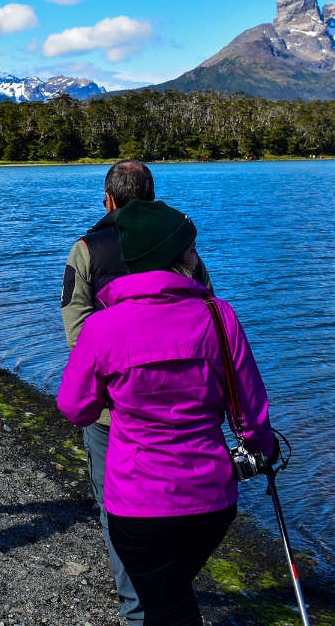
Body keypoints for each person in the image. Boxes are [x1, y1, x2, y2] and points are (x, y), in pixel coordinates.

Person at [57, 200, 276, 626]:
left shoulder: (103, 326)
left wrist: (116, 390)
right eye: (191, 251)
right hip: (211, 500)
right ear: (172, 258)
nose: (197, 258)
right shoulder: (219, 315)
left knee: (169, 607)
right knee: (169, 602)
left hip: (137, 504)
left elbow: (75, 408)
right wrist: (263, 452)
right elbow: (250, 414)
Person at [59, 160, 213, 626]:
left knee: (118, 510)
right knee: (187, 504)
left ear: (107, 199)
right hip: (187, 408)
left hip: (113, 412)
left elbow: (77, 333)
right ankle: (165, 598)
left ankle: (140, 608)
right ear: (151, 196)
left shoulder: (86, 249)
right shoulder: (181, 244)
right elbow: (206, 315)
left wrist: (113, 376)